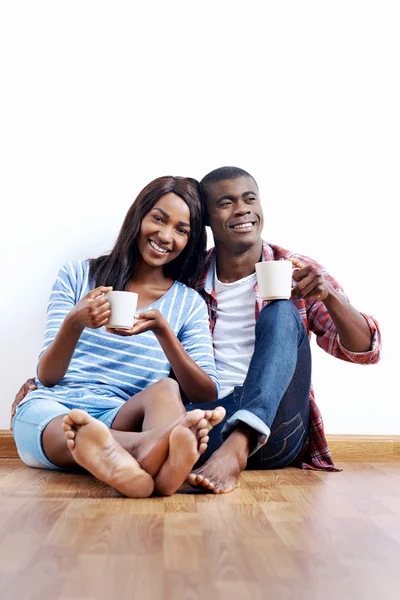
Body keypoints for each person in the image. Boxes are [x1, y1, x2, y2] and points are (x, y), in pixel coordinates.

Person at [11, 175, 225, 498]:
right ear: (138, 216)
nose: (166, 236)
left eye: (181, 230)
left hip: (119, 415)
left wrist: (164, 332)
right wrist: (74, 322)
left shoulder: (188, 303)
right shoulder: (77, 276)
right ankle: (149, 458)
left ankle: (137, 461)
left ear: (190, 241)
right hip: (54, 407)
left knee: (167, 389)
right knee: (68, 425)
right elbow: (48, 376)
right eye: (159, 219)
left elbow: (206, 390)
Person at [181, 166, 382, 493]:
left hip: (280, 430)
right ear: (205, 218)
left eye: (249, 199)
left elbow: (365, 351)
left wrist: (329, 297)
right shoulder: (190, 280)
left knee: (281, 311)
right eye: (226, 203)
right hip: (213, 423)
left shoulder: (297, 269)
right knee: (162, 420)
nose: (242, 208)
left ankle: (242, 440)